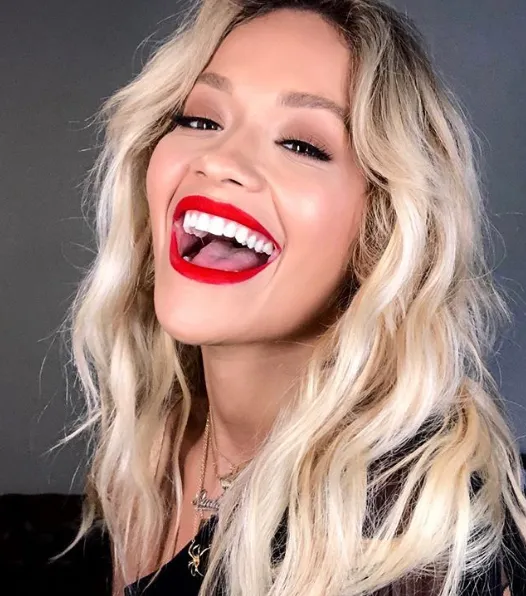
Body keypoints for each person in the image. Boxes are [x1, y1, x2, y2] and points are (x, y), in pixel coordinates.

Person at [54, 0, 526, 594]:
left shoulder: (415, 533)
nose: (219, 160)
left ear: (380, 229)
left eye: (302, 145)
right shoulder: (153, 443)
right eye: (200, 120)